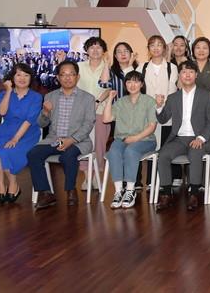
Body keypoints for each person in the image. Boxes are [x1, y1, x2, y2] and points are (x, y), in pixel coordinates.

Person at [28, 61, 96, 210]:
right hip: (54, 140)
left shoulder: (88, 98)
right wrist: (45, 112)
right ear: (58, 77)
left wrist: (71, 140)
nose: (67, 78)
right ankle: (46, 193)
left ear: (77, 77)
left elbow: (88, 124)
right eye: (63, 75)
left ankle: (71, 190)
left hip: (79, 141)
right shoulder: (50, 96)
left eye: (71, 74)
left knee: (68, 156)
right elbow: (42, 124)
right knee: (33, 154)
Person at [154, 61, 210, 212]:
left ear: (196, 75)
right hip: (179, 139)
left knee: (195, 152)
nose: (187, 75)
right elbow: (162, 119)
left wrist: (201, 138)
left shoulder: (206, 95)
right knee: (163, 155)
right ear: (179, 76)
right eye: (184, 72)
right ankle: (166, 194)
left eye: (191, 72)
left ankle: (194, 193)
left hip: (200, 138)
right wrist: (159, 106)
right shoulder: (173, 97)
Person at [0, 63, 42, 205]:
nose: (22, 78)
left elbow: (29, 121)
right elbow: (2, 112)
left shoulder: (36, 97)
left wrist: (15, 139)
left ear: (31, 78)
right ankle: (1, 187)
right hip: (5, 130)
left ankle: (13, 184)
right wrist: (8, 91)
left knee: (7, 151)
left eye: (26, 75)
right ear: (12, 78)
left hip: (27, 132)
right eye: (18, 75)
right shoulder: (4, 94)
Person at [102, 71, 157, 209]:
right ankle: (118, 191)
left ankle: (130, 191)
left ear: (141, 84)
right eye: (129, 82)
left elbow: (152, 126)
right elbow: (106, 119)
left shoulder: (149, 101)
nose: (132, 85)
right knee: (113, 151)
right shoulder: (120, 102)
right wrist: (110, 99)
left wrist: (136, 138)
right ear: (125, 84)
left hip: (145, 139)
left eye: (136, 81)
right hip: (122, 138)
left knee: (131, 151)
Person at [138, 35, 179, 188]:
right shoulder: (142, 67)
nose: (156, 48)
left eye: (159, 45)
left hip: (166, 113)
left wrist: (161, 104)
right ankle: (150, 180)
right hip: (146, 114)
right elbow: (137, 90)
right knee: (150, 147)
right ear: (148, 48)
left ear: (164, 48)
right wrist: (152, 104)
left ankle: (164, 181)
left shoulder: (171, 67)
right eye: (152, 45)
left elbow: (172, 91)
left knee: (164, 148)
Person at [76, 37, 111, 189]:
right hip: (81, 113)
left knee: (99, 145)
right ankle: (87, 178)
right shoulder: (79, 67)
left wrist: (97, 102)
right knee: (84, 145)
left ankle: (97, 176)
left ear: (104, 51)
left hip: (101, 111)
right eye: (91, 47)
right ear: (86, 50)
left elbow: (109, 88)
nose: (95, 50)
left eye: (99, 47)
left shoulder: (108, 66)